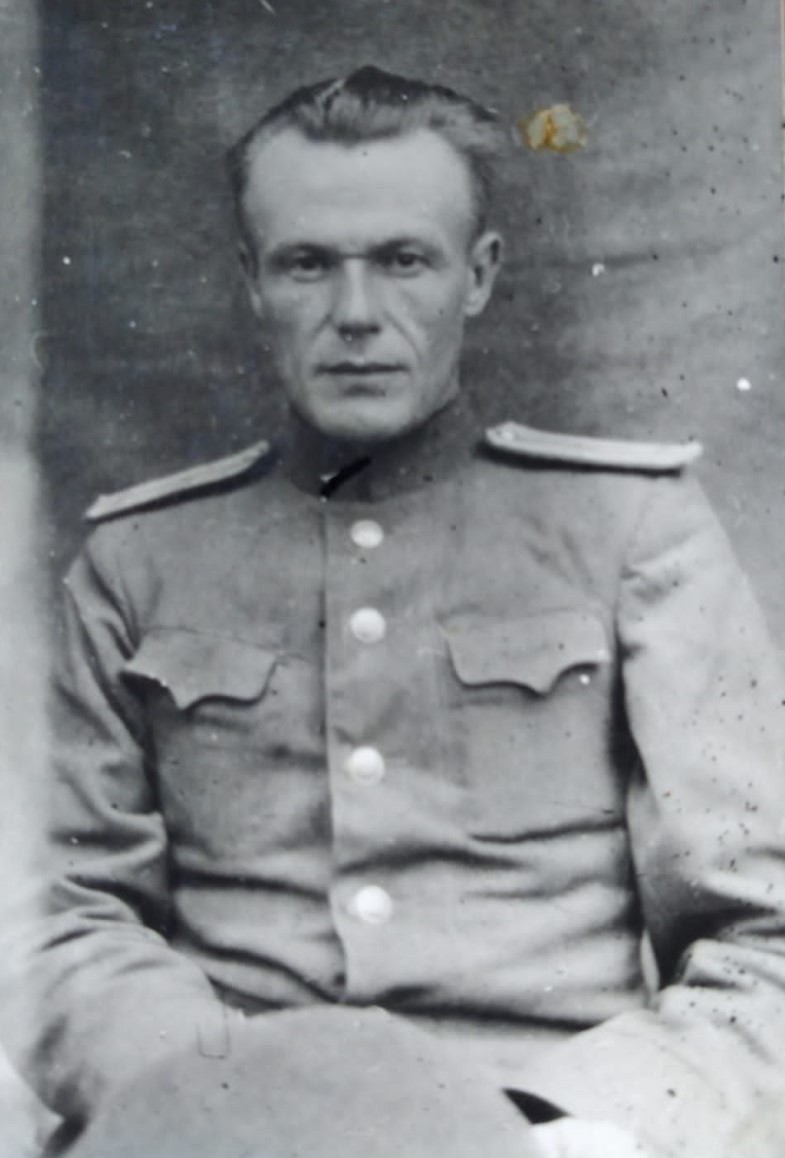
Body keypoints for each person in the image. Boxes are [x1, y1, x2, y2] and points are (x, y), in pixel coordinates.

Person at [13, 65, 785, 1158]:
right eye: (307, 264)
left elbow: (764, 931)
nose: (356, 315)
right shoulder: (139, 561)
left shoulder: (628, 529)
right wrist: (227, 1105)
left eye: (402, 260)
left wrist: (581, 1129)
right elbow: (61, 918)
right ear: (251, 282)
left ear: (478, 275)